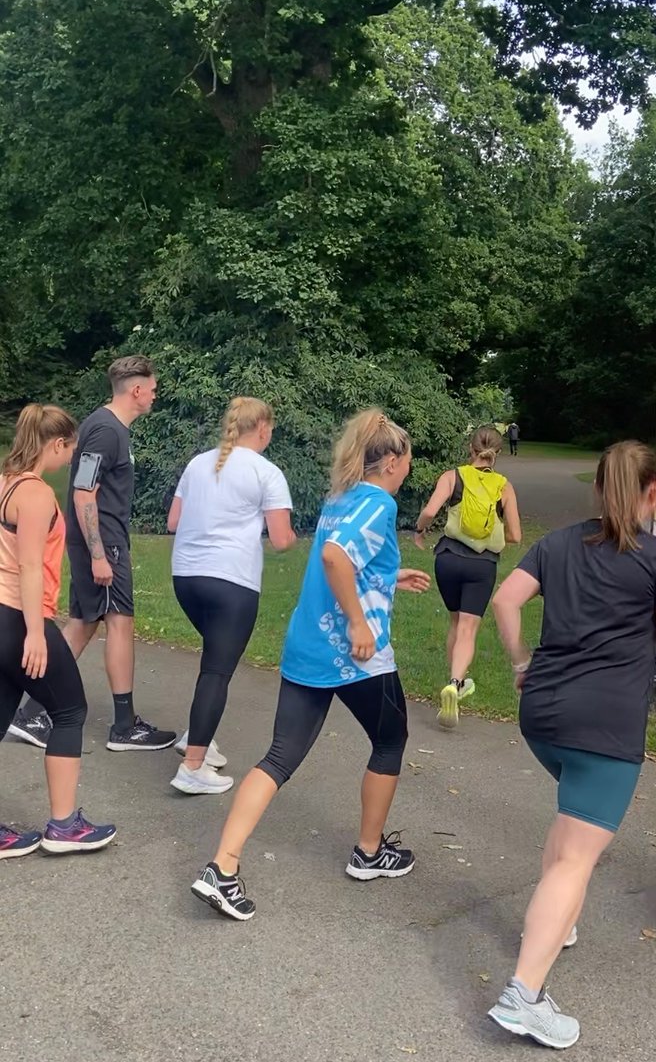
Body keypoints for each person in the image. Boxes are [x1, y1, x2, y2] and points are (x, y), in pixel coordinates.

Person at [488, 441, 656, 1049]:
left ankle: (557, 925)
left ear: (596, 489)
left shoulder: (558, 542)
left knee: (571, 827)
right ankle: (523, 997)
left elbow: (506, 600)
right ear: (653, 492)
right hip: (604, 728)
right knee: (576, 858)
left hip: (544, 715)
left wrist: (519, 662)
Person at [190, 408, 429, 920]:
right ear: (389, 461)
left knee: (279, 756)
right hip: (357, 655)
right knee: (390, 739)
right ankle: (369, 853)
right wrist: (360, 624)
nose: (409, 467)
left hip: (306, 645)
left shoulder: (339, 498)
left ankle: (222, 867)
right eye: (407, 458)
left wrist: (389, 577)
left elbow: (348, 560)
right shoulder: (378, 503)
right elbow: (335, 559)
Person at [10, 355, 175, 752]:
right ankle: (123, 726)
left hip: (103, 540)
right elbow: (84, 492)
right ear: (136, 390)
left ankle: (31, 712)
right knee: (120, 622)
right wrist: (99, 554)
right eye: (152, 389)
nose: (155, 396)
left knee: (86, 622)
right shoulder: (105, 430)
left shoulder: (109, 428)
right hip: (103, 543)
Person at [0, 404, 116, 857]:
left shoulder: (5, 483)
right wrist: (34, 632)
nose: (72, 458)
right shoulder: (36, 494)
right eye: (70, 449)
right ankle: (65, 827)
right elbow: (30, 566)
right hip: (18, 618)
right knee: (69, 711)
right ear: (56, 444)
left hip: (2, 613)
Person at [167, 397, 297, 795]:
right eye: (270, 428)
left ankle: (198, 737)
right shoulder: (267, 473)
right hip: (232, 582)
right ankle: (192, 765)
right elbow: (280, 540)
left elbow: (173, 522)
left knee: (213, 661)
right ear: (262, 428)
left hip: (186, 576)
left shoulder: (197, 463)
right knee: (217, 671)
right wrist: (293, 534)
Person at [415, 426, 521, 728]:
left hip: (447, 559)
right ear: (497, 454)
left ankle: (455, 682)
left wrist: (420, 531)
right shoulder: (504, 486)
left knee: (455, 620)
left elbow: (430, 510)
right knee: (468, 627)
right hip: (482, 564)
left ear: (470, 448)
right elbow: (515, 534)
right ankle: (455, 683)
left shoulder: (453, 476)